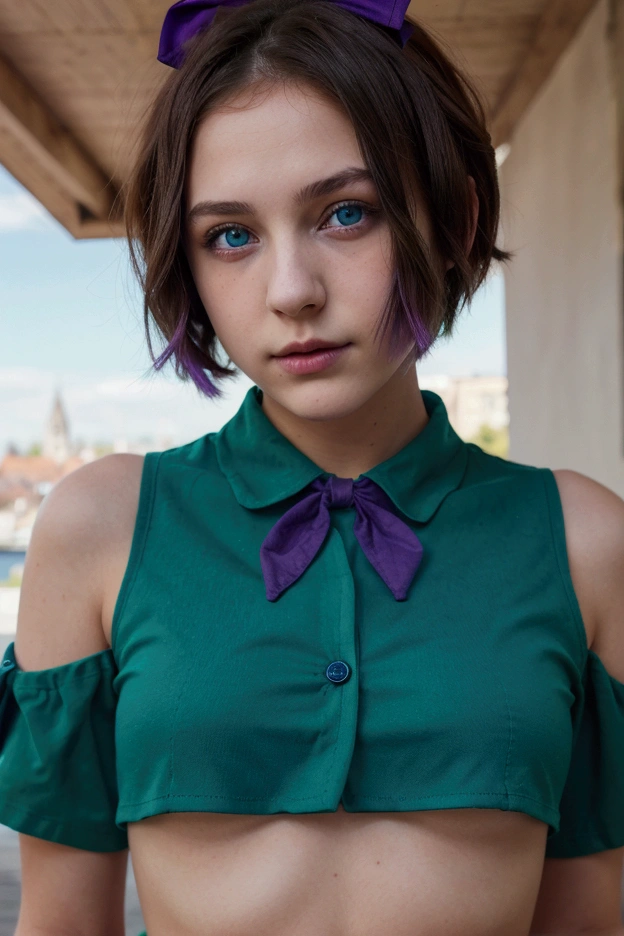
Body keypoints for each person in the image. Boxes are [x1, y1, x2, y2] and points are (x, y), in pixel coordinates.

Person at [1, 1, 624, 934]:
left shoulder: (585, 543)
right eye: (231, 236)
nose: (291, 290)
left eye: (346, 214)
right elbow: (62, 924)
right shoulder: (102, 530)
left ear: (451, 219)